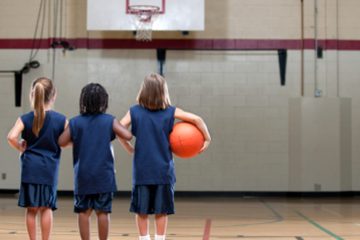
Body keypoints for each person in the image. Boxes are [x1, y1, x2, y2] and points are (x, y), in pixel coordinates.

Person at [119, 73, 211, 240]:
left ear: (143, 91)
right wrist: (207, 137)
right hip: (164, 171)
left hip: (142, 171)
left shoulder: (134, 112)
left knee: (142, 210)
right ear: (163, 91)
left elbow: (119, 129)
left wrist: (129, 148)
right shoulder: (171, 112)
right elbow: (197, 119)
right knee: (162, 211)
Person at [58, 83, 132, 240]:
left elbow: (61, 141)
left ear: (83, 101)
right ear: (103, 102)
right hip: (104, 176)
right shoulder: (109, 120)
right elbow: (127, 135)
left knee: (83, 212)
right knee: (103, 212)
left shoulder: (75, 122)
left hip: (83, 176)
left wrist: (77, 141)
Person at [7, 77, 67, 240]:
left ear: (33, 94)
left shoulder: (25, 118)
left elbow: (11, 136)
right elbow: (70, 140)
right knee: (46, 208)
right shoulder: (61, 119)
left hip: (29, 168)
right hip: (49, 169)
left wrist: (21, 147)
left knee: (31, 209)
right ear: (54, 95)